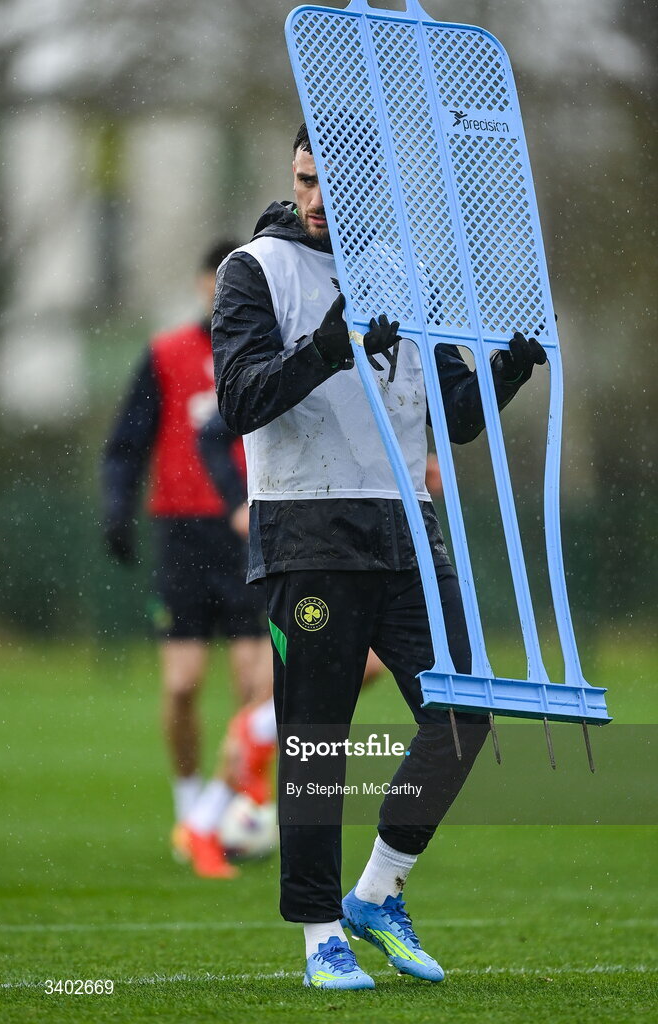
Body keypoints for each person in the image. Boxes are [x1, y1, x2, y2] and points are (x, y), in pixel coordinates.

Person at [211, 124, 547, 988]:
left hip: (405, 529)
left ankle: (377, 891)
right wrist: (328, 344)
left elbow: (453, 417)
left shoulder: (408, 275)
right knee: (318, 743)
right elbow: (243, 399)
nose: (316, 199)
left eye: (333, 185)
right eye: (303, 180)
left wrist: (507, 371)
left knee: (466, 711)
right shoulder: (254, 270)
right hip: (307, 533)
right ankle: (320, 931)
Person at [101, 241, 276, 879]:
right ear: (206, 284)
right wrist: (117, 509)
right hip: (181, 535)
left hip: (252, 530)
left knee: (256, 685)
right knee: (182, 682)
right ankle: (191, 804)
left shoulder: (267, 353)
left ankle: (230, 808)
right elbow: (126, 442)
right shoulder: (167, 354)